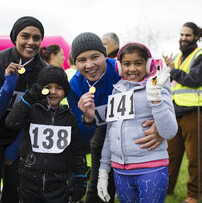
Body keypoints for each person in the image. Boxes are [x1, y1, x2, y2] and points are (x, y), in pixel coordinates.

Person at [67, 32, 164, 203]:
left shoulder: (121, 69)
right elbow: (83, 137)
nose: (89, 65)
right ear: (75, 63)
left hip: (135, 132)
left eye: (95, 57)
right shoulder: (74, 85)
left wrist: (159, 121)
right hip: (102, 132)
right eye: (82, 60)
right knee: (98, 186)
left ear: (105, 55)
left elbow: (156, 81)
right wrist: (87, 120)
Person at [0, 16, 47, 203]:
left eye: (36, 38)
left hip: (18, 135)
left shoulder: (43, 71)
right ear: (15, 38)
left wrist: (15, 148)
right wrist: (8, 85)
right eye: (25, 36)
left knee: (14, 189)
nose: (31, 42)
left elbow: (37, 116)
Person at [97, 43, 178, 203]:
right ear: (120, 67)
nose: (132, 68)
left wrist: (155, 97)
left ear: (148, 65)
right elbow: (110, 133)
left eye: (138, 63)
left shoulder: (158, 87)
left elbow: (169, 132)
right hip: (121, 171)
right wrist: (103, 171)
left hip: (151, 168)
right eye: (127, 64)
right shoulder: (117, 90)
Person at [5, 65, 87, 203]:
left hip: (58, 186)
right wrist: (28, 98)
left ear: (65, 91)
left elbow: (75, 150)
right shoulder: (32, 111)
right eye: (48, 87)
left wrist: (80, 177)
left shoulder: (70, 118)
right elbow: (12, 122)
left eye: (59, 88)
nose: (53, 92)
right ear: (41, 89)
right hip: (29, 183)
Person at [163, 22, 202, 203]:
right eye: (182, 35)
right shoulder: (176, 58)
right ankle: (166, 189)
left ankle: (194, 195)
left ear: (196, 37)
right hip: (175, 112)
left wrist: (173, 70)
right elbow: (171, 81)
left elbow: (195, 80)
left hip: (194, 111)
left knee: (194, 157)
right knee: (170, 155)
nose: (184, 38)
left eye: (188, 35)